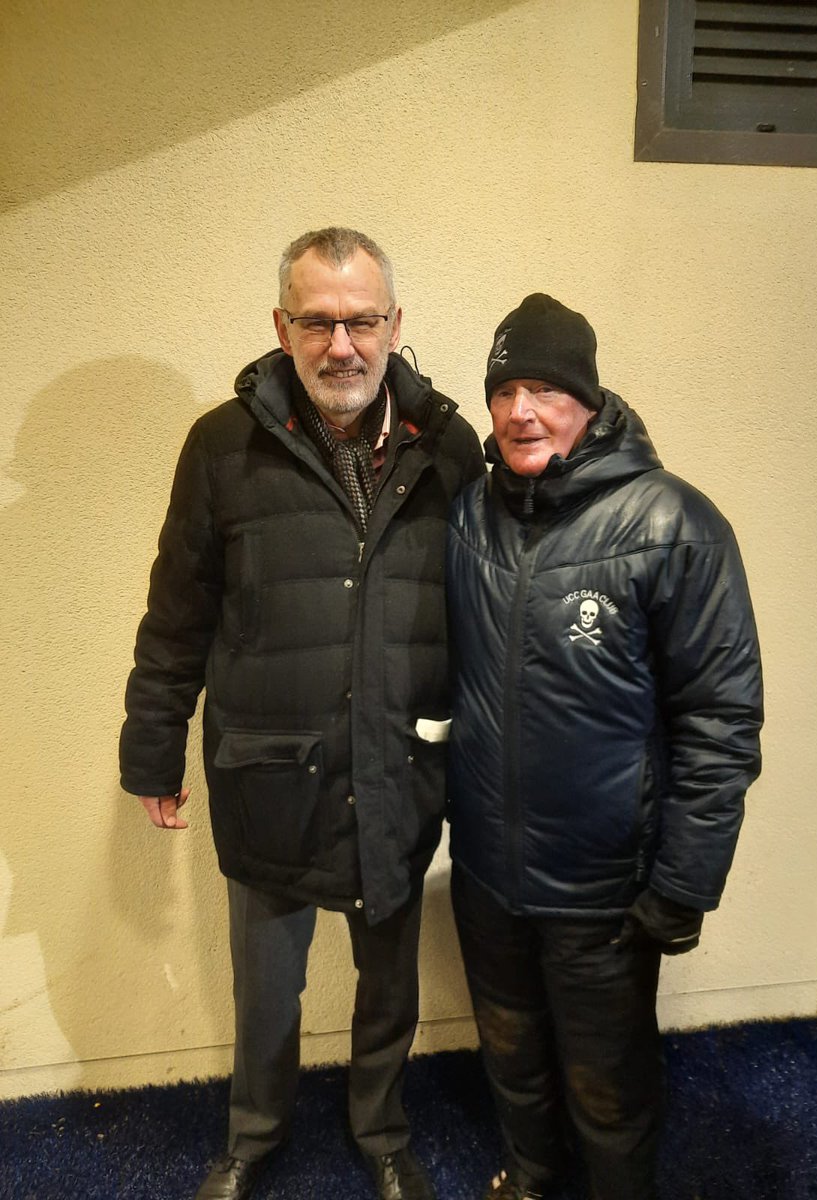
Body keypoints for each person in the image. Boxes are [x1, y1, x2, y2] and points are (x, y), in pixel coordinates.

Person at [120, 227, 484, 1200]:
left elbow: (486, 607)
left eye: (362, 320)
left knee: (389, 988)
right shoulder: (220, 447)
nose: (342, 345)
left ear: (394, 324)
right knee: (266, 990)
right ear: (281, 327)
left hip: (400, 769)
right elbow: (177, 613)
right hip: (267, 771)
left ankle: (382, 1133)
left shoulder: (447, 445)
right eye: (317, 321)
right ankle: (252, 1136)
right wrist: (152, 750)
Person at [446, 294, 763, 1200]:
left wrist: (686, 880)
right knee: (510, 1056)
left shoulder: (673, 524)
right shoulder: (470, 516)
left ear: (589, 401)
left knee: (607, 1086)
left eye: (544, 388)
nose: (520, 411)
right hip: (488, 877)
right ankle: (534, 1178)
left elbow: (721, 717)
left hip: (604, 892)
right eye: (505, 390)